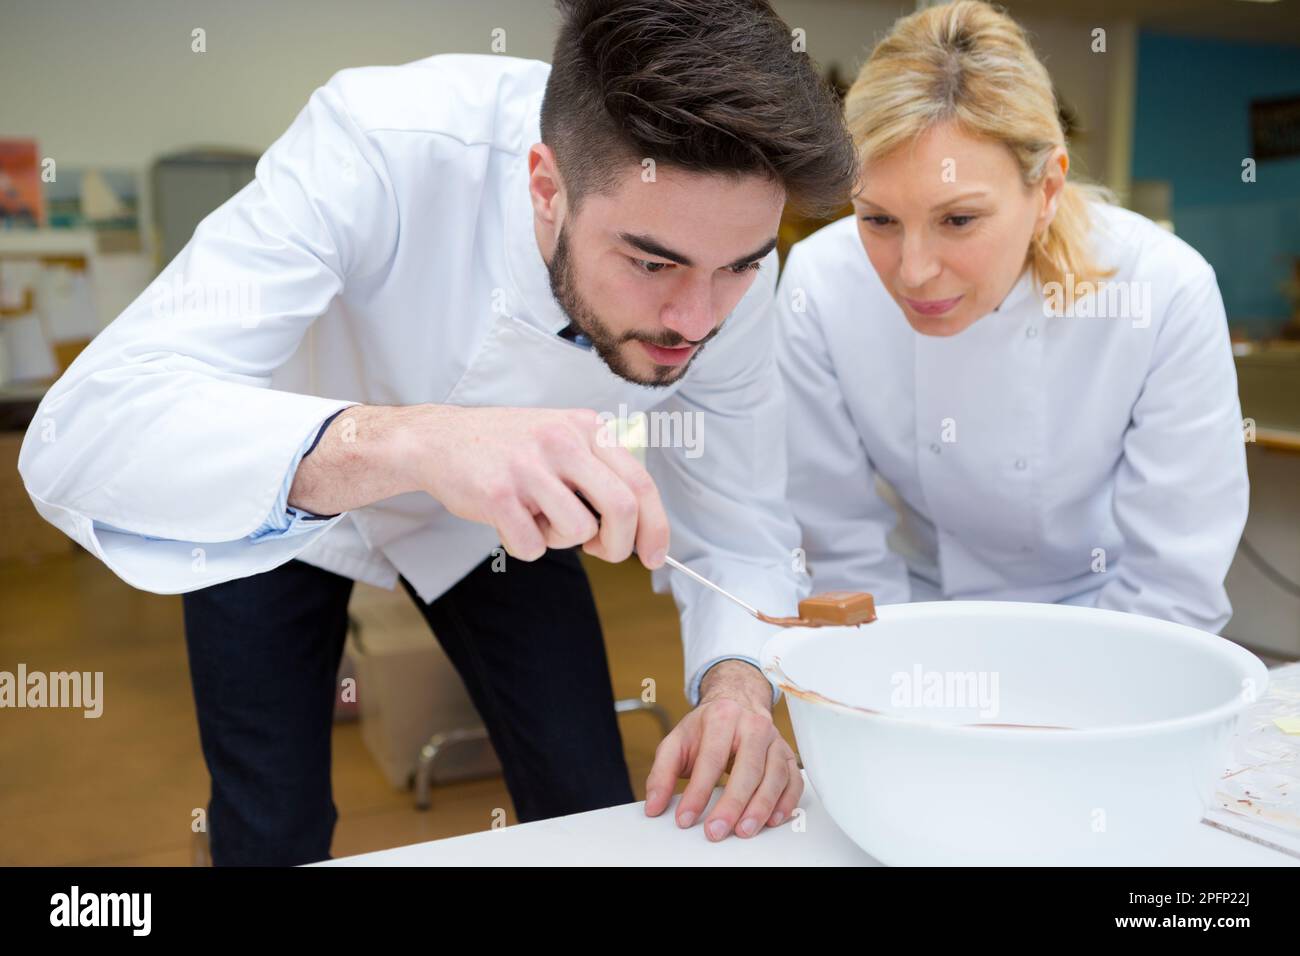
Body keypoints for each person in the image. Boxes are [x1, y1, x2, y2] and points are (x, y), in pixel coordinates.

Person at [19, 0, 856, 864]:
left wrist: (739, 691)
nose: (695, 318)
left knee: (585, 799)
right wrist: (419, 443)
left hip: (495, 526)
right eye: (651, 262)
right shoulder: (380, 142)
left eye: (740, 267)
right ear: (546, 185)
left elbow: (744, 526)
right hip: (280, 476)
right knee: (271, 822)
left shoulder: (734, 282)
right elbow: (80, 435)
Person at [776, 0, 1247, 631]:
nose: (913, 271)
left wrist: (1072, 709)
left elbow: (1172, 579)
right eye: (878, 219)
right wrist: (893, 680)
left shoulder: (1163, 290)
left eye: (959, 219)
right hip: (911, 611)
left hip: (1105, 617)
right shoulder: (820, 283)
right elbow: (839, 541)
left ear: (1048, 189)